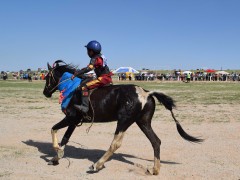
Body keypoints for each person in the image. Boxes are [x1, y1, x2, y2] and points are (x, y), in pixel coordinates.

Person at [71, 40, 113, 113]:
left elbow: (89, 68)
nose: (87, 53)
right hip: (106, 78)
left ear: (91, 51)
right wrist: (80, 71)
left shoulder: (94, 58)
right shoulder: (100, 56)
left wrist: (77, 73)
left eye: (88, 51)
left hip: (103, 79)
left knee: (84, 87)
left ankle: (85, 107)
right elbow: (89, 67)